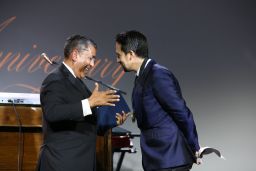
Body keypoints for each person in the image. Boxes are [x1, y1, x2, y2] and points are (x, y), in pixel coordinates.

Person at [36, 35, 127, 171]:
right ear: (75, 55)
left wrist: (111, 121)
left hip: (80, 162)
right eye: (90, 58)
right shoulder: (55, 79)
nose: (92, 64)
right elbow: (52, 113)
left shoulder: (78, 82)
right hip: (61, 163)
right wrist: (89, 103)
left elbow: (86, 125)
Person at [115, 30, 201, 171]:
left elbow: (181, 112)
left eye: (119, 55)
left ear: (130, 55)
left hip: (170, 158)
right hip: (157, 158)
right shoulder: (141, 76)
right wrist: (134, 114)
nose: (117, 60)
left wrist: (194, 147)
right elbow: (155, 109)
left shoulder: (158, 74)